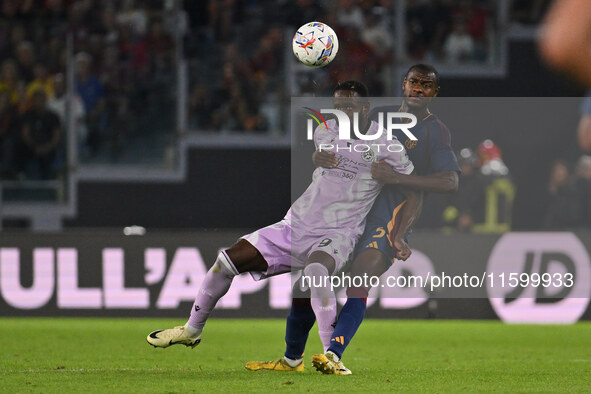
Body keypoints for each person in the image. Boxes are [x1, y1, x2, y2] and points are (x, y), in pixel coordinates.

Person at [146, 81, 421, 376]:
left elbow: (413, 192)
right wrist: (317, 157)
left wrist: (400, 230)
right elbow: (326, 160)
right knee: (226, 261)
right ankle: (192, 329)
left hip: (338, 232)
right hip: (294, 226)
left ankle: (332, 356)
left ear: (366, 108)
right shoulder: (325, 130)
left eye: (349, 107)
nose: (342, 113)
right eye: (338, 107)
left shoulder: (388, 146)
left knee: (315, 273)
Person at [246, 64, 460, 375]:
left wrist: (397, 183)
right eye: (414, 82)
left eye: (426, 86)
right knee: (308, 282)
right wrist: (317, 156)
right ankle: (292, 359)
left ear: (434, 94)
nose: (418, 89)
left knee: (359, 278)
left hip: (389, 215)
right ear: (403, 85)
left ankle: (333, 353)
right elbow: (338, 142)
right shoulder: (376, 116)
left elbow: (449, 182)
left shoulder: (435, 130)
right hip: (346, 211)